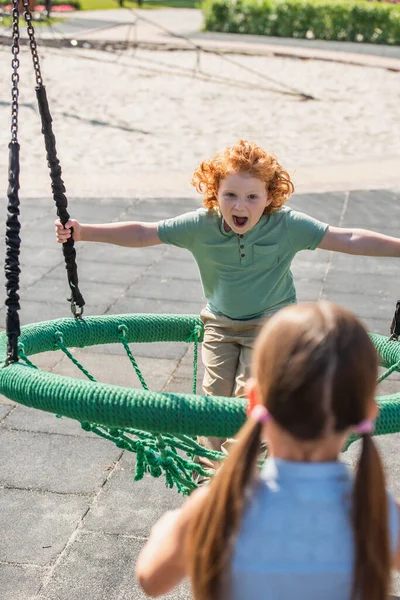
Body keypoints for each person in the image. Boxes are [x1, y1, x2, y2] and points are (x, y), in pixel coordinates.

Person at [55, 139, 400, 470]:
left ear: (269, 197)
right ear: (215, 194)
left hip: (271, 325)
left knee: (251, 395)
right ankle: (210, 465)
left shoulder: (286, 225)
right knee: (214, 397)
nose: (240, 206)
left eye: (252, 196)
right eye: (230, 195)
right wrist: (84, 232)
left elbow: (346, 237)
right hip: (219, 323)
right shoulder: (199, 225)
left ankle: (242, 466)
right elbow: (145, 232)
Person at [135, 301, 400, 600]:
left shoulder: (217, 508)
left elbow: (150, 580)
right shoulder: (377, 513)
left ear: (253, 401)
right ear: (368, 413)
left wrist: (170, 526)